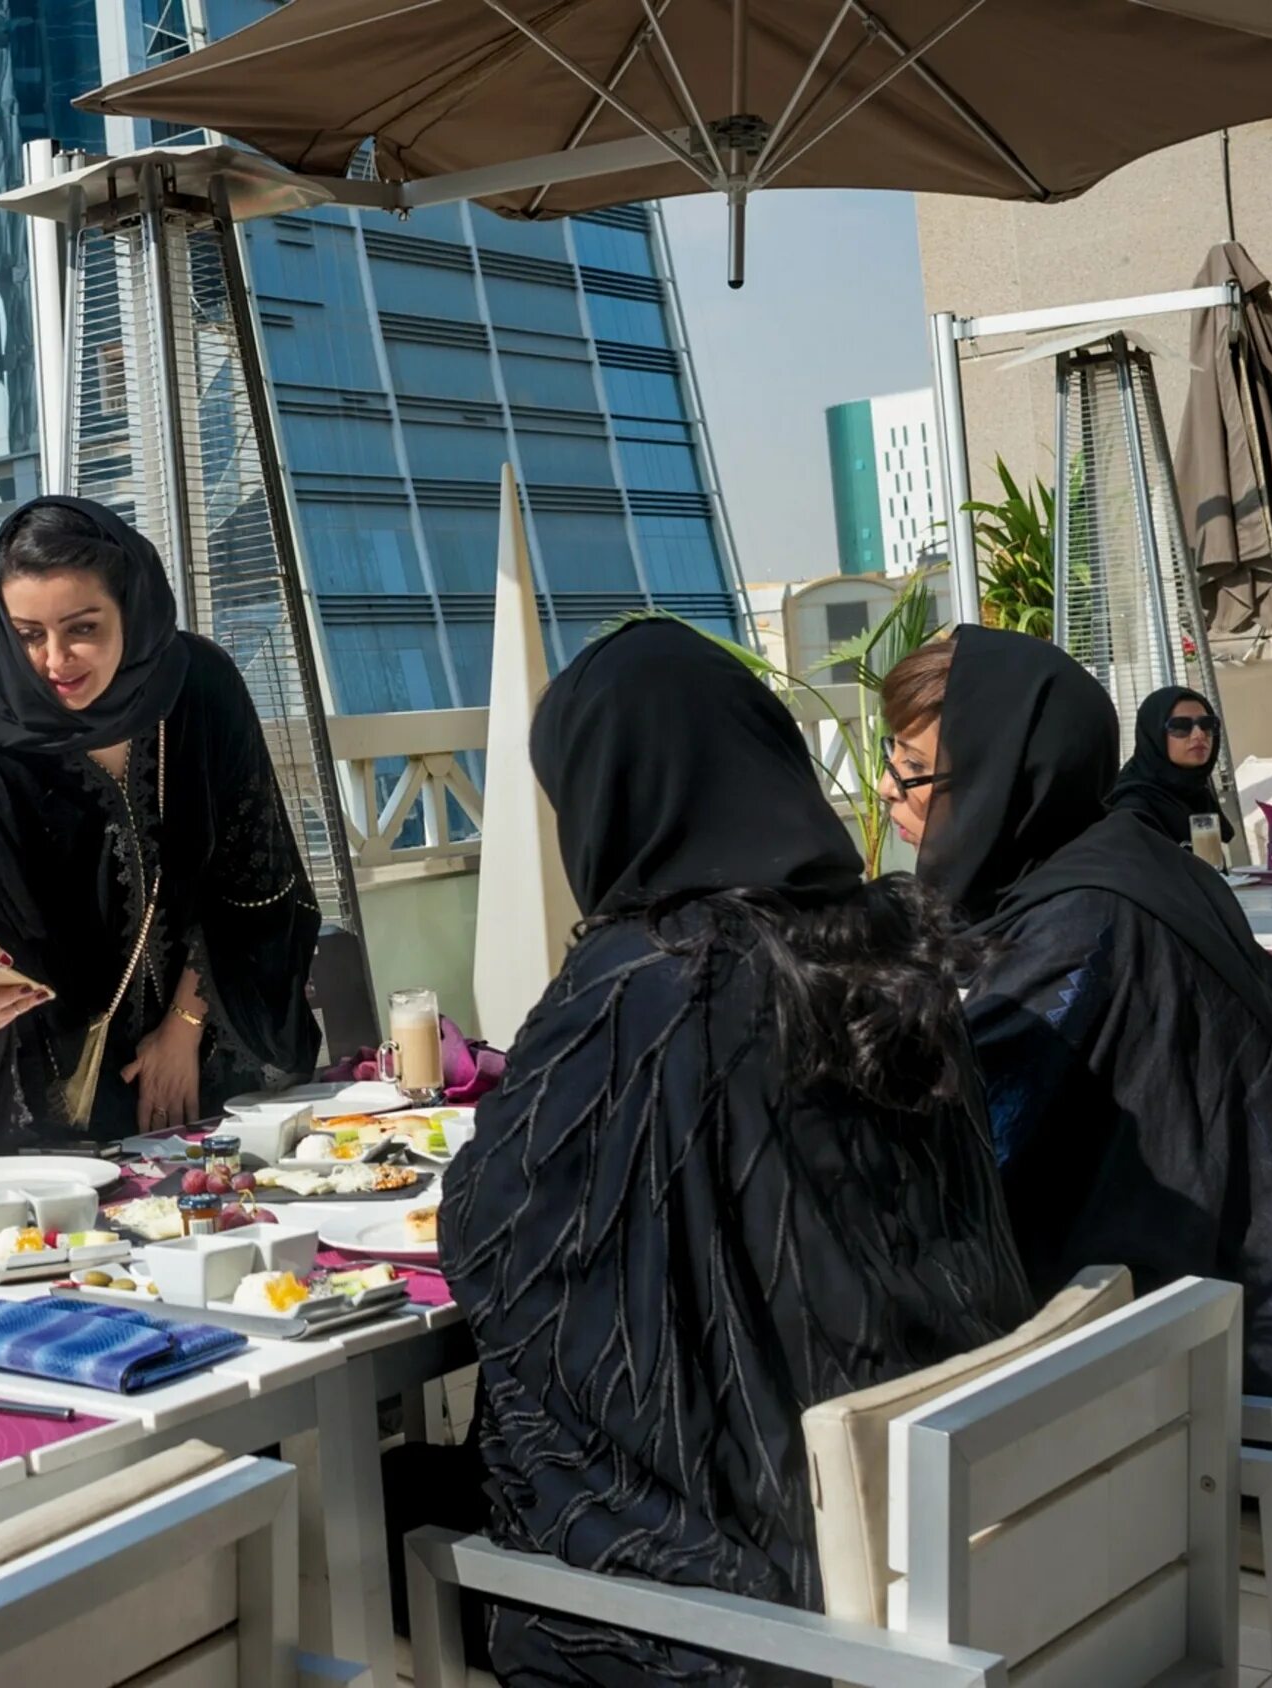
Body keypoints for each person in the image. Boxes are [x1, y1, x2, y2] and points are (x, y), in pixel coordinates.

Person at [442, 620, 1034, 1687]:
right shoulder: (890, 937)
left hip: (763, 1595)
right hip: (957, 1528)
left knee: (402, 1508)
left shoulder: (648, 984)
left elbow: (494, 1235)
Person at [882, 627, 1272, 1429]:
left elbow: (965, 1144)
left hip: (1222, 1395)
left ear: (1000, 777)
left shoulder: (1076, 923)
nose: (884, 791)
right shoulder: (1133, 865)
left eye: (911, 770)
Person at [0, 496, 321, 1145]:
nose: (55, 661)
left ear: (130, 608)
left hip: (217, 1056)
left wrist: (184, 1029)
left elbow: (256, 879)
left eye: (82, 628)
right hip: (68, 1103)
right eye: (29, 634)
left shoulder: (201, 690)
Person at [1105, 686, 1232, 847]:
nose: (1199, 734)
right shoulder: (1132, 810)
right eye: (1180, 726)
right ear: (1154, 736)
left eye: (1207, 724)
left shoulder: (1197, 794)